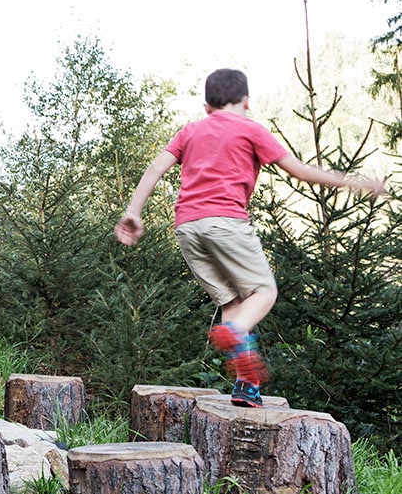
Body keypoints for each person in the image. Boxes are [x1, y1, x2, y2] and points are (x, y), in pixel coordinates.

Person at [115, 68, 386, 407]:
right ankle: (237, 331)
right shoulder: (251, 129)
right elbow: (300, 172)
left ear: (206, 107)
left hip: (187, 227)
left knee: (232, 302)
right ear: (246, 101)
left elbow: (156, 168)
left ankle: (246, 387)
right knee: (264, 291)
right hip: (226, 222)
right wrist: (356, 182)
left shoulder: (190, 131)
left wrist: (133, 212)